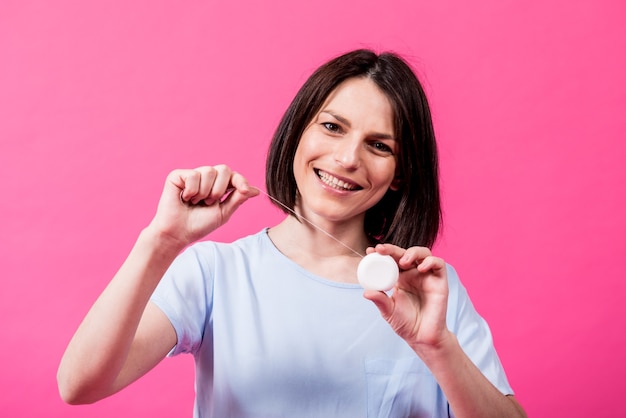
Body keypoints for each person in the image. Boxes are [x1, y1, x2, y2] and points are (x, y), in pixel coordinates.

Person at [57, 49, 527, 417]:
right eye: (331, 127)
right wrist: (161, 241)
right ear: (298, 133)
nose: (347, 159)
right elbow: (80, 386)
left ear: (400, 173)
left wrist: (437, 347)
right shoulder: (215, 273)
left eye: (378, 145)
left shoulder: (428, 296)